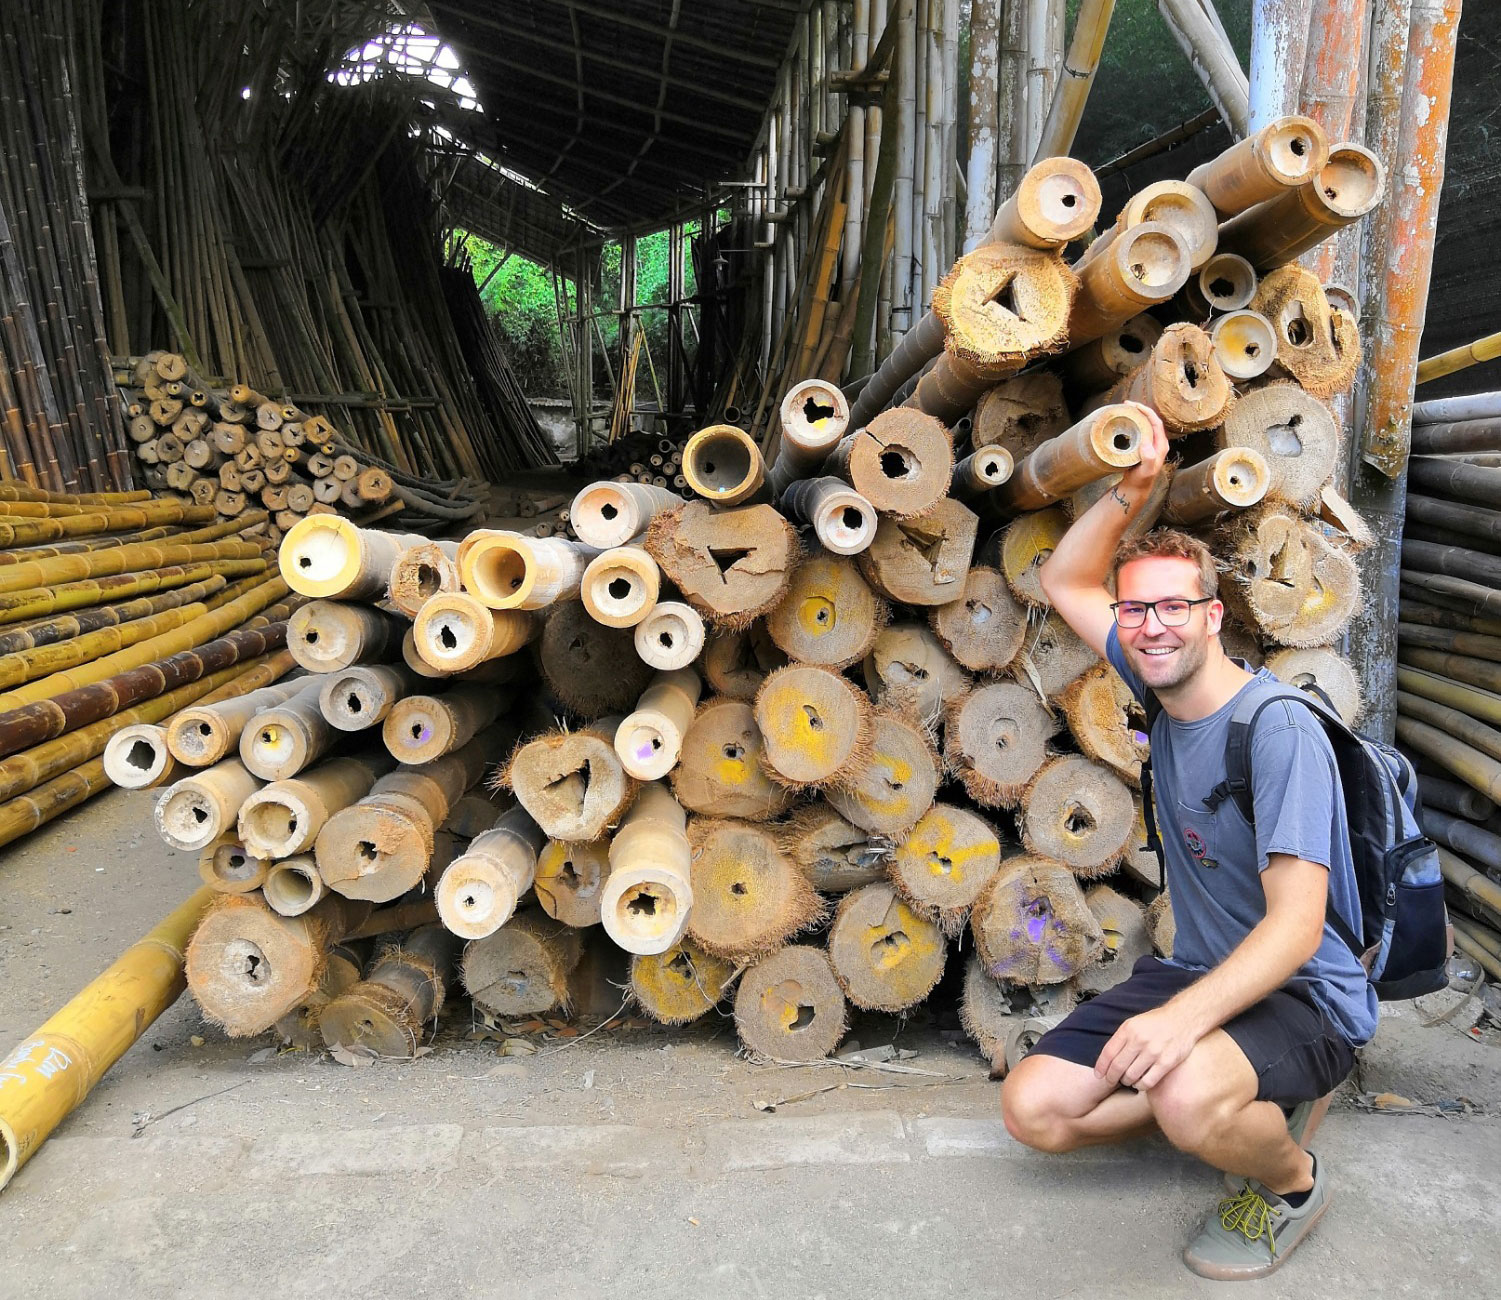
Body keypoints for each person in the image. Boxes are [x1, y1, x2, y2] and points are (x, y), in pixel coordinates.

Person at [999, 403, 1377, 1280]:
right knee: (1037, 1112)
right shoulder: (1154, 675)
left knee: (1183, 1086)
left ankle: (1291, 1181)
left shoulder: (1275, 729)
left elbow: (1293, 928)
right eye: (1137, 610)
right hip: (1200, 971)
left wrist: (1178, 1025)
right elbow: (1063, 580)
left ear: (1213, 618)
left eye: (1175, 606)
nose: (1153, 624)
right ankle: (1209, 1099)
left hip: (1304, 992)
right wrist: (1131, 492)